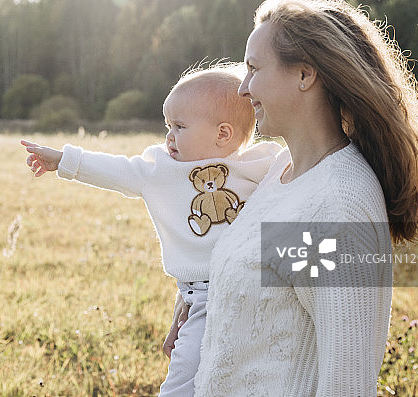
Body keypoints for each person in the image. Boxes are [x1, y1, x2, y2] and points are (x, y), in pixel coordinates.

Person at [182, 0, 418, 396]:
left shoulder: (338, 202)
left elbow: (347, 382)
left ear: (304, 75)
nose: (243, 88)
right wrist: (202, 301)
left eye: (254, 69)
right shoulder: (282, 170)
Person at [21, 63, 281, 397]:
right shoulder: (160, 168)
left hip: (251, 292)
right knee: (184, 376)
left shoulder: (262, 162)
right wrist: (62, 160)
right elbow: (116, 170)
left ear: (223, 134)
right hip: (202, 298)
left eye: (180, 126)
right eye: (168, 126)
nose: (169, 136)